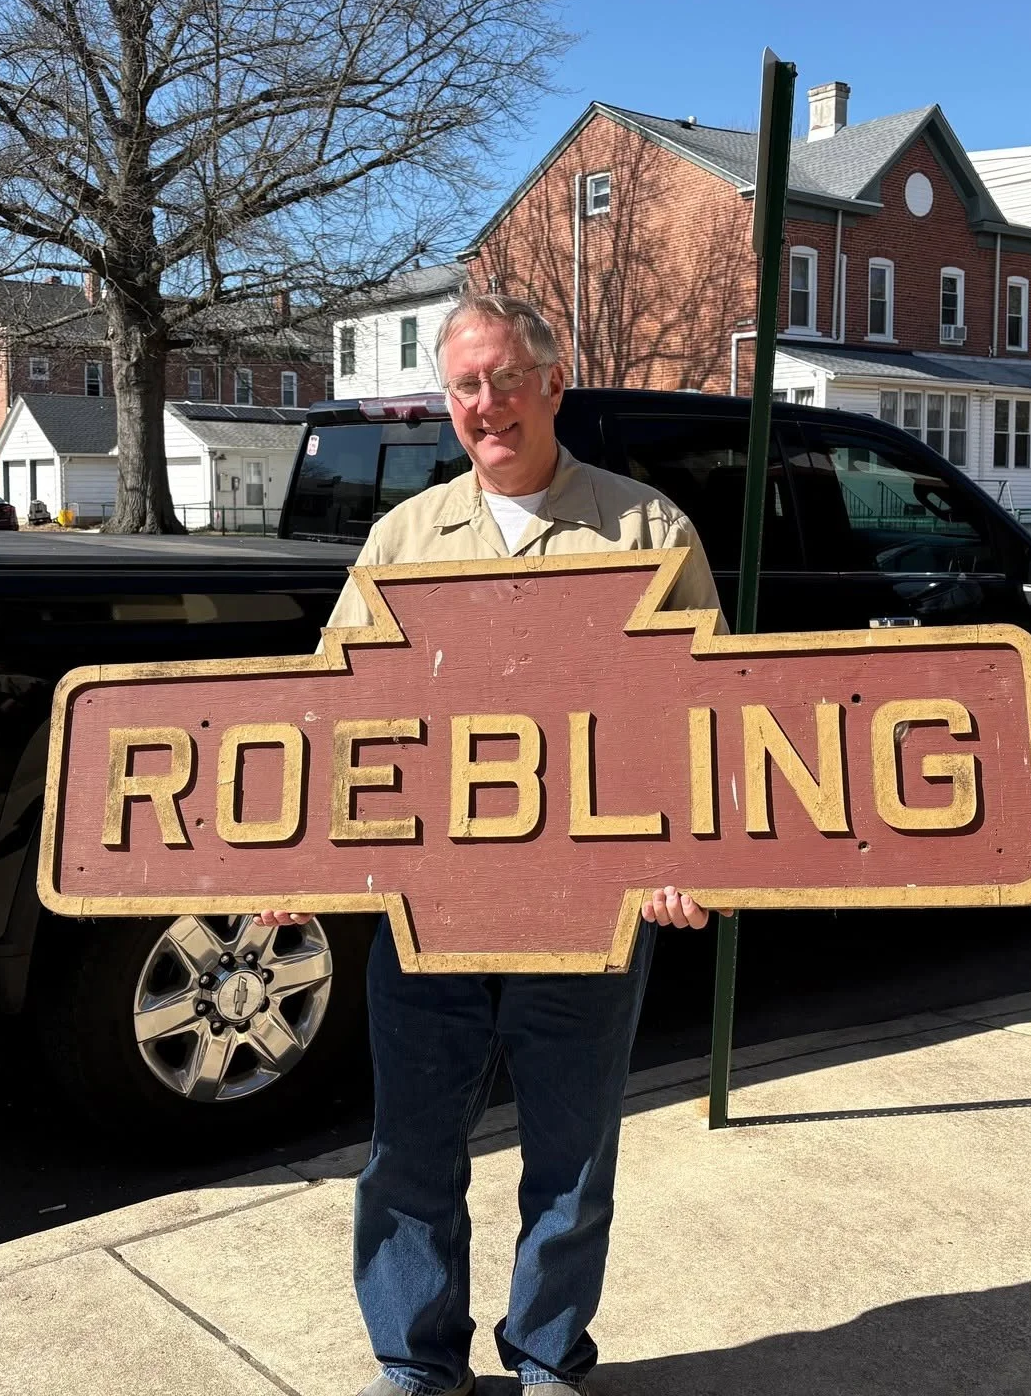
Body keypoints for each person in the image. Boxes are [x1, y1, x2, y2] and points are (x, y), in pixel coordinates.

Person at [263, 293, 727, 1396]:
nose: (486, 405)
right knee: (410, 1151)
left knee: (571, 1155)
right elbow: (335, 715)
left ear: (552, 382)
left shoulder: (646, 529)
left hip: (588, 912)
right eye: (465, 387)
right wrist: (293, 858)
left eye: (506, 379)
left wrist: (691, 859)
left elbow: (703, 715)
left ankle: (547, 1358)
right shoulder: (403, 538)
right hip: (430, 912)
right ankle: (416, 1364)